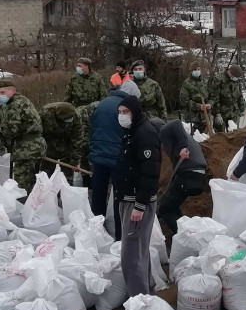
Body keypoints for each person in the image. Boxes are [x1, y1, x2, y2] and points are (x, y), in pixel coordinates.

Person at [113, 94, 160, 296]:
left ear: (135, 112)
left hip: (137, 202)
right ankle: (147, 293)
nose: (122, 116)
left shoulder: (145, 134)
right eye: (120, 113)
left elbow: (150, 172)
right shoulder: (132, 132)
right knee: (138, 252)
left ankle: (138, 303)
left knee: (131, 257)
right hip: (128, 198)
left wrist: (140, 205)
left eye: (126, 112)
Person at [89, 80, 138, 238]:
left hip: (98, 154)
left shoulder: (102, 103)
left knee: (98, 193)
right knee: (120, 195)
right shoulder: (125, 108)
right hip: (117, 156)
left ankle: (97, 230)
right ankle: (119, 235)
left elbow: (92, 126)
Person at [156, 118, 207, 240]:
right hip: (197, 176)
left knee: (165, 209)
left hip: (189, 175)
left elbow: (176, 122)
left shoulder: (164, 130)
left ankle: (185, 239)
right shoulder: (178, 139)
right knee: (172, 205)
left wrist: (184, 147)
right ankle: (184, 231)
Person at [0, 89, 46, 191]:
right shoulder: (24, 101)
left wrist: (2, 131)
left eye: (3, 92)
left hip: (26, 149)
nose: (0, 95)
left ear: (12, 91)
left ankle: (23, 205)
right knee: (35, 181)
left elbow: (11, 130)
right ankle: (34, 205)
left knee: (22, 185)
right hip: (37, 146)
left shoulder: (15, 105)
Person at [41, 101, 85, 171]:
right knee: (47, 172)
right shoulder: (45, 113)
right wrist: (41, 150)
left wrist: (75, 161)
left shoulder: (76, 116)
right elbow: (38, 133)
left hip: (66, 145)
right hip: (49, 145)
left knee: (66, 173)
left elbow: (77, 139)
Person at [210, 63, 244, 131]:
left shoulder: (236, 81)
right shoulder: (218, 79)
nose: (236, 78)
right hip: (222, 112)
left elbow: (239, 95)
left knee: (234, 134)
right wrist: (217, 114)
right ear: (230, 73)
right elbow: (214, 98)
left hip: (234, 112)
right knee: (220, 136)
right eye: (235, 76)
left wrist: (241, 108)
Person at [179, 62, 211, 131]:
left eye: (199, 69)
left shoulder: (205, 82)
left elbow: (211, 96)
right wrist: (199, 106)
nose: (197, 71)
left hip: (205, 117)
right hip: (192, 117)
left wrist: (209, 104)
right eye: (195, 70)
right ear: (191, 71)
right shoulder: (186, 83)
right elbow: (184, 102)